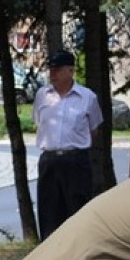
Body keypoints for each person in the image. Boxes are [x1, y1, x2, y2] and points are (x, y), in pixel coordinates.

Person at [33, 49, 104, 240]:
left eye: (58, 69)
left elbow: (93, 130)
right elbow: (39, 123)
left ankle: (79, 254)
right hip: (49, 160)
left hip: (76, 161)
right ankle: (49, 257)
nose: (52, 74)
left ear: (70, 71)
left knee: (77, 211)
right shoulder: (42, 95)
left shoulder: (87, 97)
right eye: (51, 69)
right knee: (48, 212)